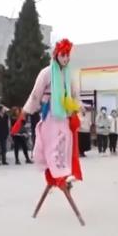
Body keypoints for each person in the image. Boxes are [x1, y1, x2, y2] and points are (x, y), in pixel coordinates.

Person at [21, 38, 83, 189]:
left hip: (65, 116)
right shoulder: (46, 73)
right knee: (53, 146)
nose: (66, 58)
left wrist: (77, 109)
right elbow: (35, 94)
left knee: (65, 144)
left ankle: (64, 174)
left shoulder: (69, 74)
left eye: (68, 55)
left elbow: (75, 95)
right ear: (56, 55)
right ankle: (57, 176)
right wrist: (26, 111)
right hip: (50, 115)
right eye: (63, 55)